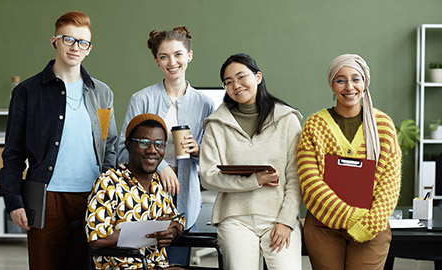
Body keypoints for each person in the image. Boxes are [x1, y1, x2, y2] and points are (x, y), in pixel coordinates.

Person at [0, 11, 117, 270]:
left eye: (82, 42)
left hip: (92, 198)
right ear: (55, 42)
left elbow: (109, 146)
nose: (76, 47)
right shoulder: (26, 92)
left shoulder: (103, 94)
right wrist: (13, 200)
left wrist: (107, 195)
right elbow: (13, 152)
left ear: (89, 48)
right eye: (68, 39)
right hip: (45, 198)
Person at [116, 26, 214, 264]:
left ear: (189, 55)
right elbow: (121, 149)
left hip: (183, 198)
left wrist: (198, 150)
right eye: (164, 56)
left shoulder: (205, 104)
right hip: (141, 198)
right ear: (156, 61)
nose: (172, 62)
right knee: (141, 262)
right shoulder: (142, 99)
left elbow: (213, 156)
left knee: (176, 262)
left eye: (178, 54)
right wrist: (162, 167)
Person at [296, 54, 402, 270]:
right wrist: (350, 216)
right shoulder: (314, 126)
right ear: (332, 85)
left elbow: (389, 183)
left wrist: (370, 222)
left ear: (365, 83)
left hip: (372, 225)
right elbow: (310, 182)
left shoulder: (383, 126)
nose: (349, 87)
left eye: (356, 79)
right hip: (323, 225)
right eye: (340, 80)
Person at [200, 53, 303, 270]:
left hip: (278, 216)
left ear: (258, 77)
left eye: (241, 77)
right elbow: (208, 176)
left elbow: (296, 177)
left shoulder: (287, 119)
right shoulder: (216, 124)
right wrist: (254, 180)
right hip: (234, 217)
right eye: (228, 82)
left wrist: (286, 221)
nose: (236, 85)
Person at [86, 113, 185, 269]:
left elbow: (177, 221)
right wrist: (146, 231)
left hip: (158, 265)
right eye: (144, 143)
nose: (152, 150)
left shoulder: (159, 183)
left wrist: (172, 232)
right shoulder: (109, 183)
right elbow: (96, 240)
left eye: (159, 144)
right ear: (128, 145)